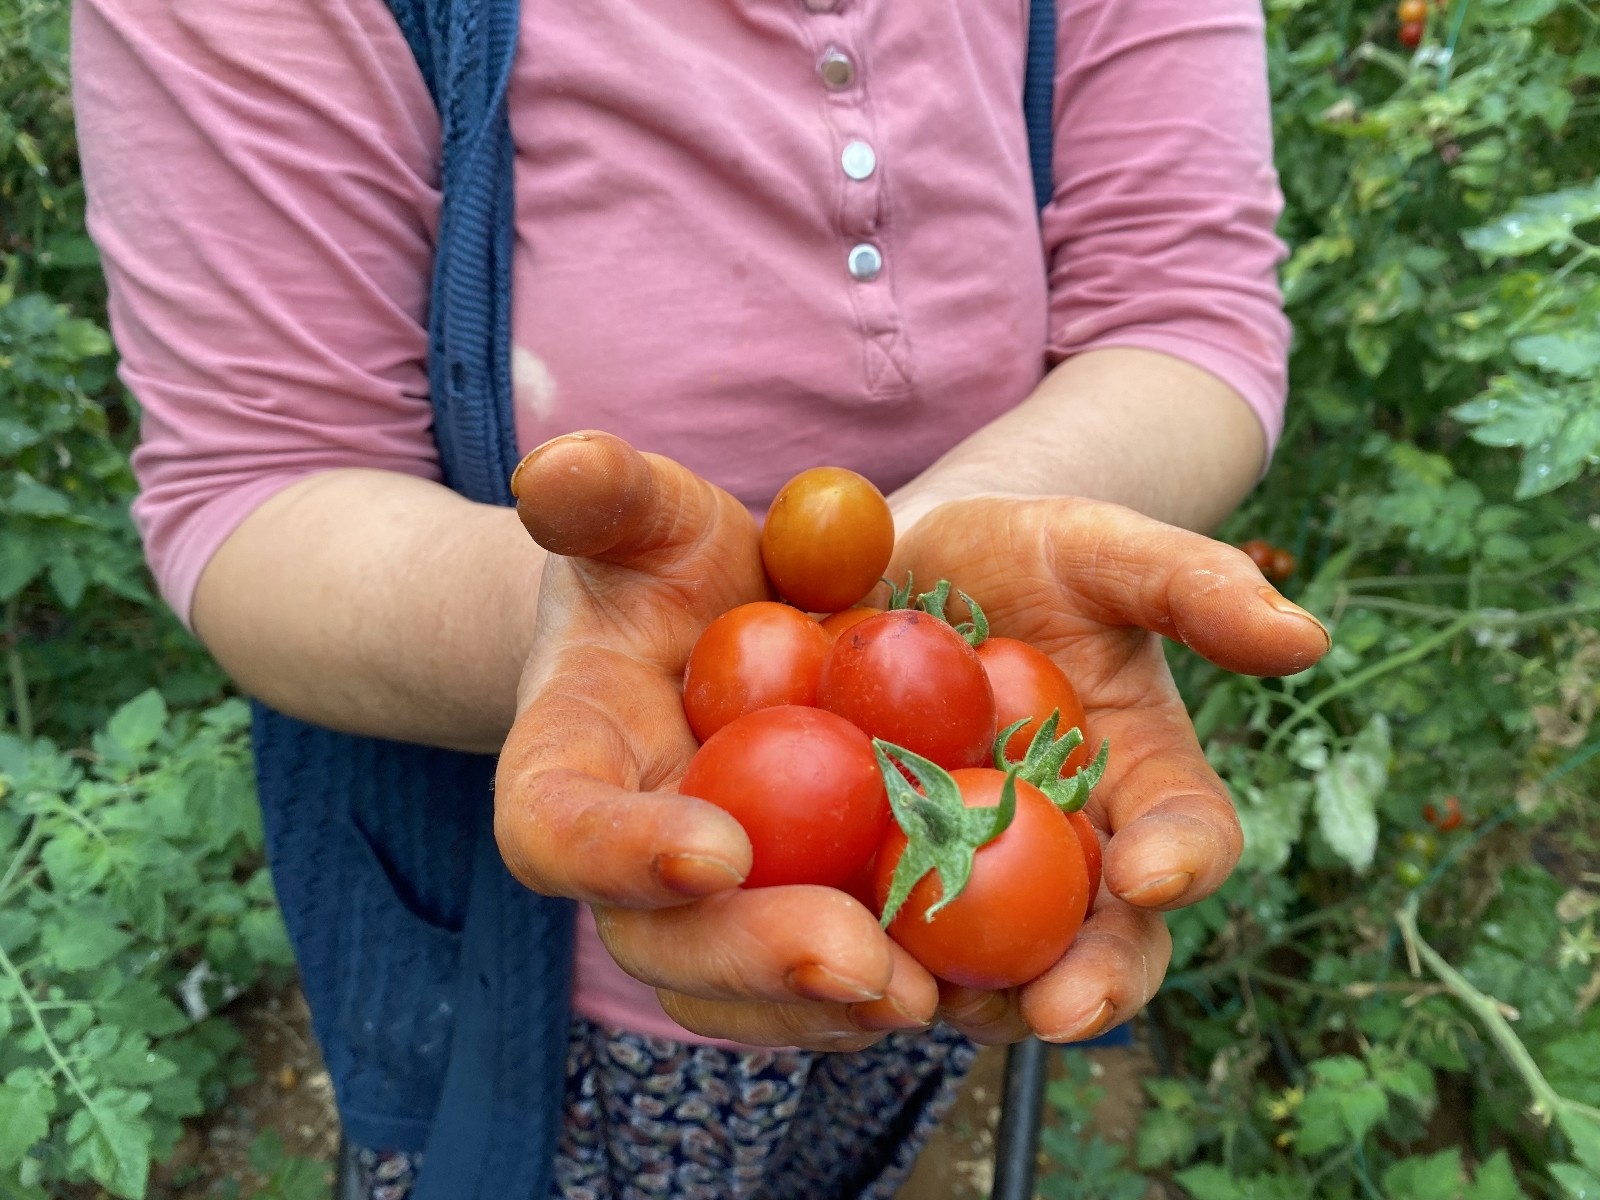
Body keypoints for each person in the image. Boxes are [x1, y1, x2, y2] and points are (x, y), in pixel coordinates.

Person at [71, 0, 1330, 1195]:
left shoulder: (946, 790)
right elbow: (257, 489)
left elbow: (1184, 305)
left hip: (920, 916)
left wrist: (940, 550)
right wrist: (582, 625)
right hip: (527, 963)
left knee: (857, 1128)